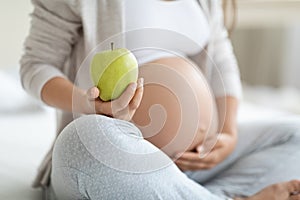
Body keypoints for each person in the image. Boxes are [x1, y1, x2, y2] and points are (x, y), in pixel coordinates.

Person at [20, 0, 300, 199]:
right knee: (82, 144)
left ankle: (193, 195)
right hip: (121, 167)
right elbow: (36, 64)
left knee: (295, 134)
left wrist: (228, 132)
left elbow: (221, 58)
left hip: (194, 167)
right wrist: (86, 102)